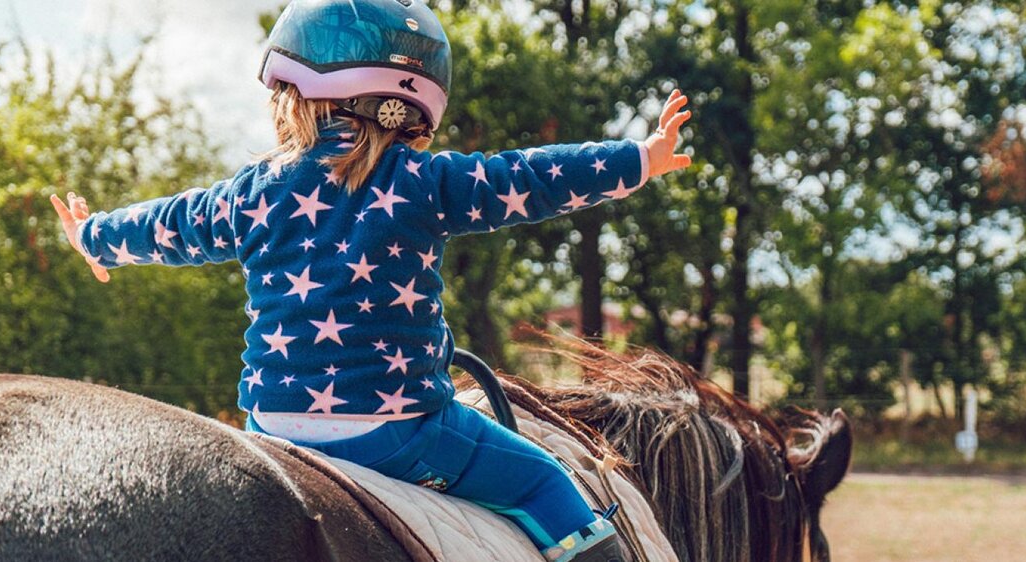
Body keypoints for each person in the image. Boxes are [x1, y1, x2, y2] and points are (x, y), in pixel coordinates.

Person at [50, 1, 691, 560]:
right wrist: (641, 158)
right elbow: (529, 177)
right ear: (411, 106)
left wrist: (94, 237)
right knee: (544, 483)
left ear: (294, 97)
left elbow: (172, 222)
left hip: (271, 426)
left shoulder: (250, 194)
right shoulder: (424, 182)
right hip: (396, 429)